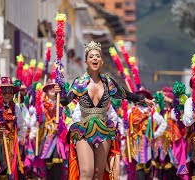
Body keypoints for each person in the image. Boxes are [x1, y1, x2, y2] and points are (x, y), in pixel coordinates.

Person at [54, 41, 154, 179]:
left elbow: (126, 94)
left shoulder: (108, 82)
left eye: (97, 56)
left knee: (98, 174)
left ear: (101, 61)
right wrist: (58, 92)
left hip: (104, 129)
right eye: (91, 56)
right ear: (86, 61)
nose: (94, 58)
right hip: (83, 129)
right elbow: (66, 101)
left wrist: (143, 100)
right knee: (86, 172)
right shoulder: (79, 82)